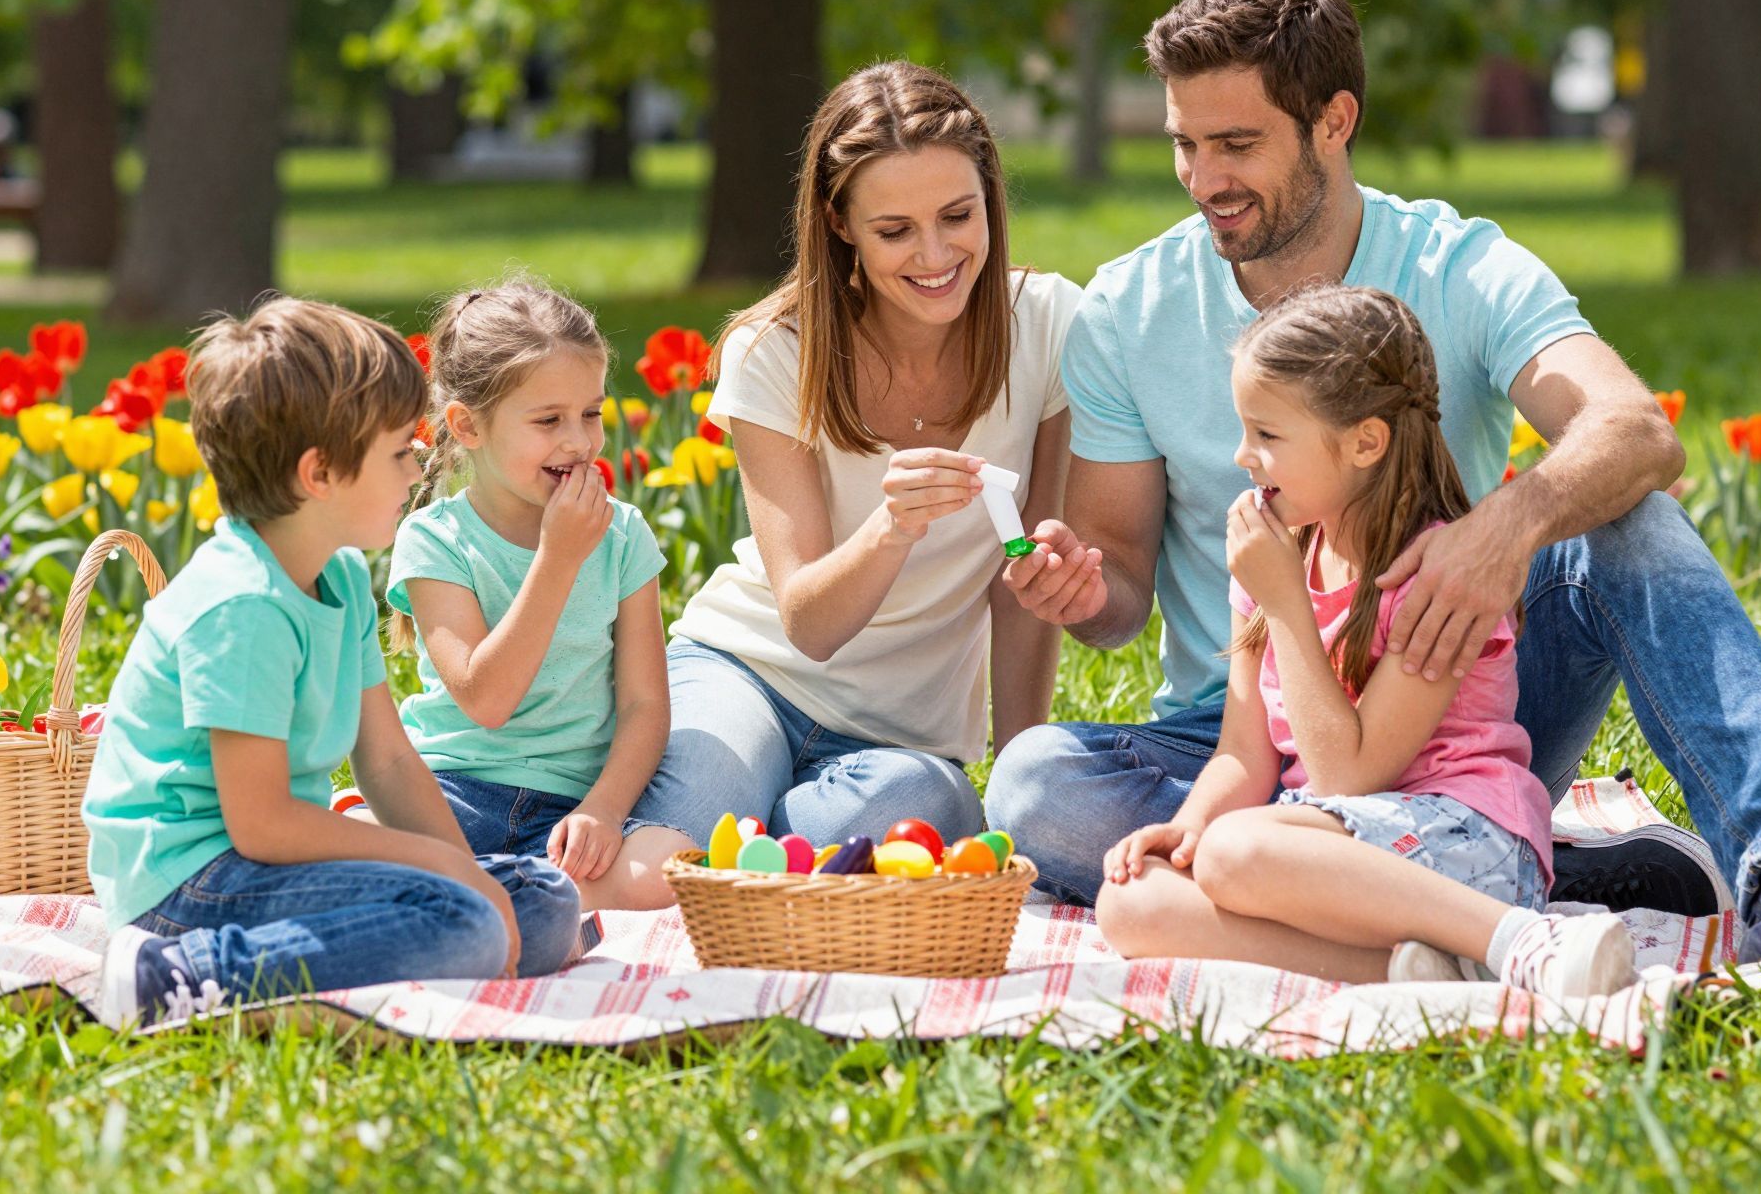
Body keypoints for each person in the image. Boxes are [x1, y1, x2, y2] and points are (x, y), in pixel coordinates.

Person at [991, 0, 1761, 974]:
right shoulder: (1128, 309)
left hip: (1438, 698)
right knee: (1036, 787)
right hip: (1237, 734)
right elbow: (1121, 591)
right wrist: (1083, 590)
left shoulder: (1458, 265)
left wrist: (1502, 530)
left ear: (1332, 122)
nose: (1204, 178)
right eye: (1183, 144)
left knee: (1630, 520)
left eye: (1236, 144)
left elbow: (1637, 431)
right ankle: (1502, 882)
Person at [1097, 284, 1633, 997]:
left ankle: (1520, 939)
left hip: (1465, 841)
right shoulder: (1278, 558)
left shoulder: (1437, 574)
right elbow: (1244, 750)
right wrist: (1188, 827)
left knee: (1236, 852)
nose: (1243, 456)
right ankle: (1430, 968)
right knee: (1131, 903)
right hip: (1328, 843)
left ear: (1365, 442)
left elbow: (1349, 775)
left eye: (1267, 435)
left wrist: (1286, 602)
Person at [86, 298, 581, 1031]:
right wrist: (440, 872)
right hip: (187, 882)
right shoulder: (242, 606)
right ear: (319, 474)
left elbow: (384, 760)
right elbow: (261, 825)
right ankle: (178, 977)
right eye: (397, 453)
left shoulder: (342, 577)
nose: (417, 469)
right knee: (467, 925)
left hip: (266, 863)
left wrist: (463, 870)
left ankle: (430, 936)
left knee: (543, 901)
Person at [630, 61, 1081, 847]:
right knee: (675, 843)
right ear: (840, 223)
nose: (935, 255)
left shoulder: (1047, 326)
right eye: (894, 230)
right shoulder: (775, 349)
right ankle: (743, 825)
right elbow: (808, 623)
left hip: (899, 741)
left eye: (957, 215)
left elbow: (1020, 593)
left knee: (921, 805)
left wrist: (1017, 786)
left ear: (990, 203)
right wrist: (890, 528)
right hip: (749, 672)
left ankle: (763, 837)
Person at [388, 279, 696, 909]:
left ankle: (501, 895)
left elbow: (643, 705)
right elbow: (487, 699)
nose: (579, 442)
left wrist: (605, 812)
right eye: (549, 420)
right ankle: (522, 898)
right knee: (354, 845)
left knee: (669, 866)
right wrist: (558, 558)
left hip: (565, 815)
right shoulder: (434, 541)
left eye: (591, 413)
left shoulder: (623, 536)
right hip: (450, 793)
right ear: (467, 427)